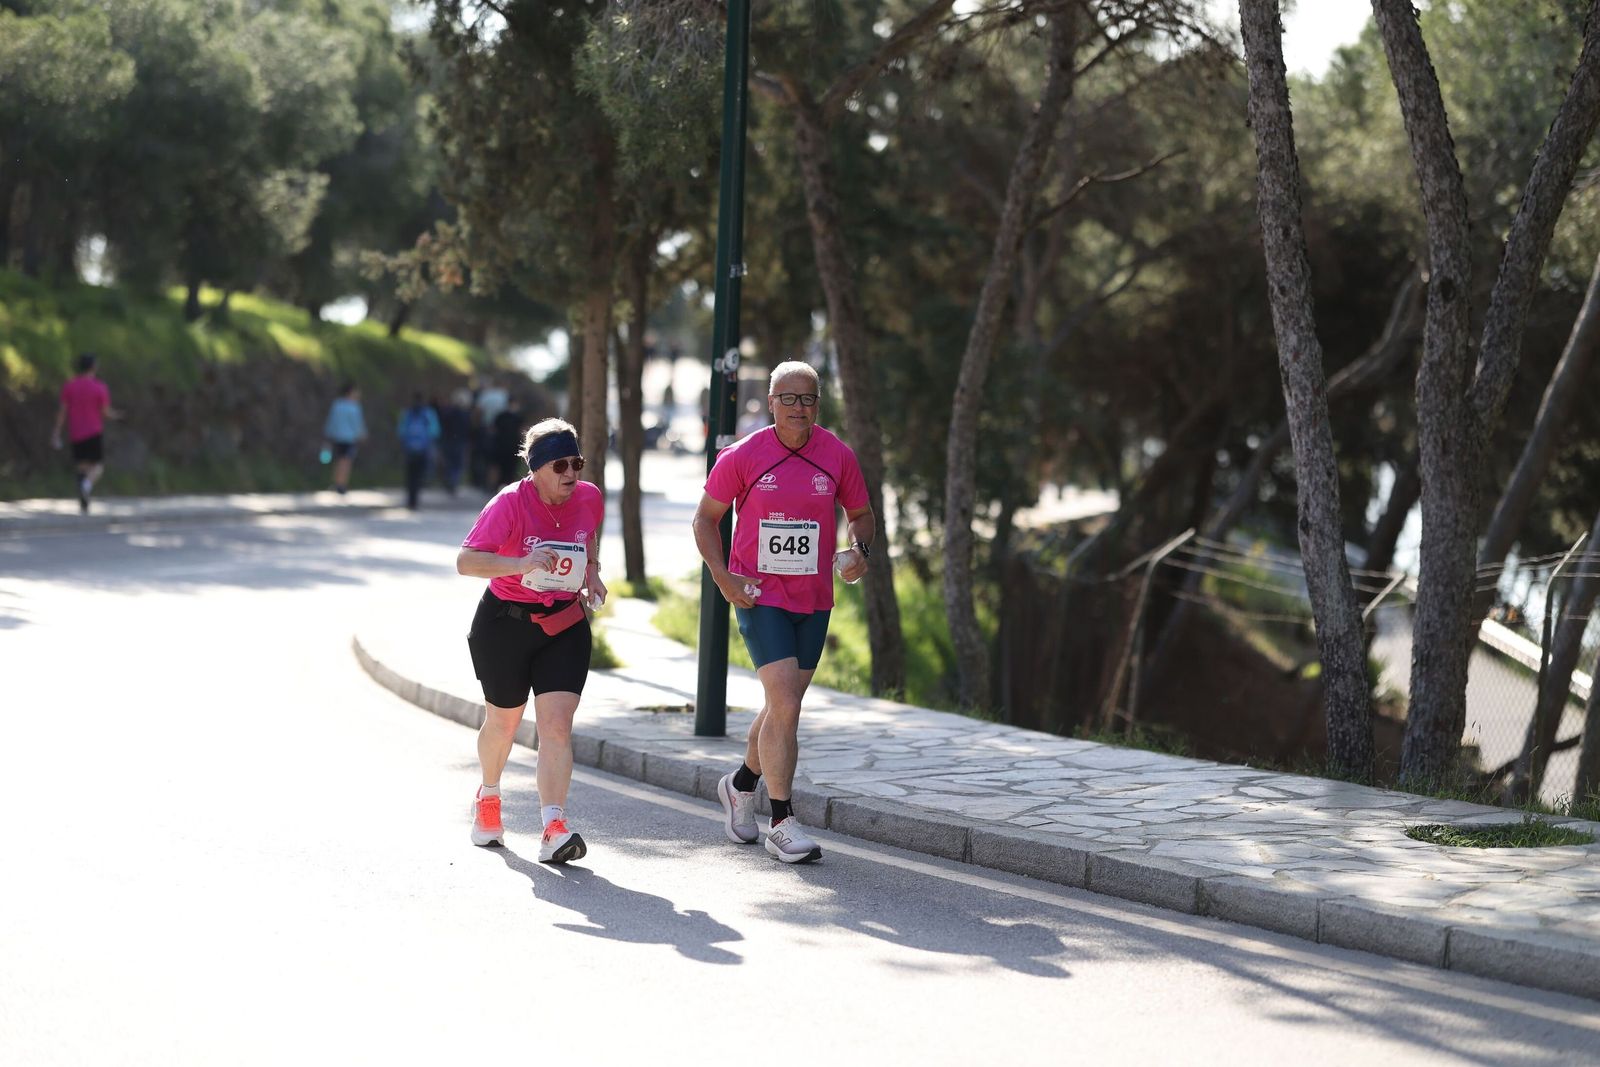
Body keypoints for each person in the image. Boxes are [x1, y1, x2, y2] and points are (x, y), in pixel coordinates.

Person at [693, 361, 873, 864]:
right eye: (788, 399)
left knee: (781, 704)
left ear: (819, 404)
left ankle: (741, 784)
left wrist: (860, 552)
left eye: (808, 399)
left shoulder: (836, 455)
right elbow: (706, 520)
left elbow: (861, 516)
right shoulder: (745, 455)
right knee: (787, 706)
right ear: (771, 402)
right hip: (758, 594)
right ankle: (782, 821)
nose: (799, 408)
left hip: (814, 599)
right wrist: (723, 578)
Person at [456, 418, 607, 862]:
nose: (571, 474)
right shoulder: (508, 503)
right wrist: (520, 563)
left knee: (557, 726)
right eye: (560, 465)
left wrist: (592, 573)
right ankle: (488, 797)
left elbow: (588, 534)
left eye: (576, 463)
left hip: (563, 624)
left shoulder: (589, 497)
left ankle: (553, 828)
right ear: (536, 468)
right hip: (506, 623)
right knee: (503, 723)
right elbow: (466, 561)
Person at [51, 353, 119, 514]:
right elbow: (106, 412)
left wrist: (56, 432)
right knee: (97, 467)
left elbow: (62, 411)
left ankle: (84, 501)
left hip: (76, 432)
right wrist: (118, 415)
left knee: (82, 467)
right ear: (94, 366)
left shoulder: (70, 386)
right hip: (93, 431)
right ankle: (86, 486)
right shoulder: (99, 387)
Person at [397, 393, 440, 510]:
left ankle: (410, 499)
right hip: (423, 449)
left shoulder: (407, 413)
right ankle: (415, 500)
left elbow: (401, 431)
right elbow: (435, 431)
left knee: (410, 475)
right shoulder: (428, 413)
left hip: (410, 449)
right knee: (419, 475)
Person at [323, 383, 367, 495]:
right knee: (346, 461)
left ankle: (336, 482)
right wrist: (362, 435)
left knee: (338, 461)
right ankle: (342, 484)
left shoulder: (337, 405)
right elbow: (357, 424)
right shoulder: (354, 407)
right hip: (349, 439)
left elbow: (331, 421)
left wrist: (328, 434)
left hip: (337, 437)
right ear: (350, 392)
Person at [437, 388, 473, 496]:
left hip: (449, 441)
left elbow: (443, 426)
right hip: (460, 442)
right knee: (457, 464)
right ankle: (453, 481)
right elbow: (468, 429)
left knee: (450, 463)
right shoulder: (465, 415)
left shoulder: (448, 413)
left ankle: (450, 481)